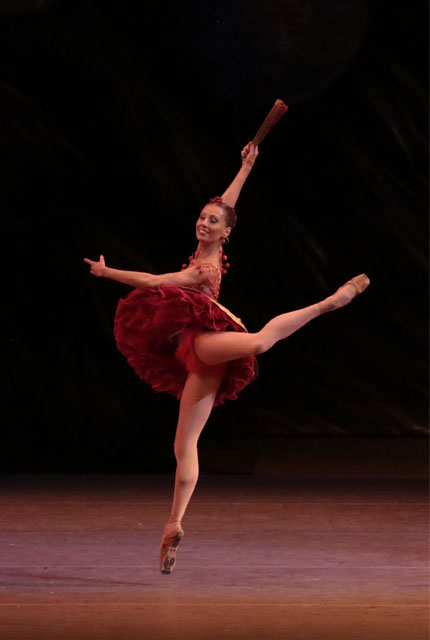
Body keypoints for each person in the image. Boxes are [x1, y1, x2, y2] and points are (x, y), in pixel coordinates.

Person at [84, 141, 370, 574]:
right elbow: (226, 203)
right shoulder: (209, 241)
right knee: (184, 445)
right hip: (201, 360)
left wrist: (108, 273)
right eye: (201, 217)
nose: (204, 221)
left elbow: (154, 280)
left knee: (256, 343)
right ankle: (174, 522)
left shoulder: (204, 269)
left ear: (226, 234)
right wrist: (246, 167)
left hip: (205, 342)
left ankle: (327, 303)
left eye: (211, 221)